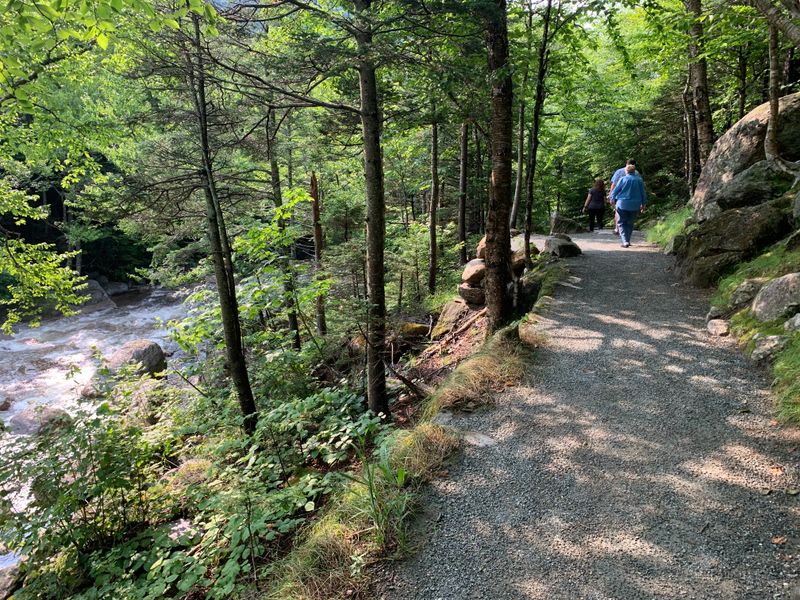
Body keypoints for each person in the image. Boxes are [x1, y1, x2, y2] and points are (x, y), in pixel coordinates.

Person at [610, 163, 647, 248]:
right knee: (630, 223)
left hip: (622, 204)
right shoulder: (639, 180)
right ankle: (628, 240)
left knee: (621, 222)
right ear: (634, 171)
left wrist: (612, 199)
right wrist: (643, 204)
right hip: (635, 205)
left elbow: (615, 190)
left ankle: (625, 241)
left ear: (626, 171)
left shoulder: (623, 179)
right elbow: (643, 193)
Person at [608, 159, 639, 234]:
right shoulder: (636, 173)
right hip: (632, 196)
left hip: (619, 196)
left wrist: (611, 194)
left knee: (618, 211)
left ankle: (617, 228)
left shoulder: (619, 171)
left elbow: (614, 184)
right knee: (630, 213)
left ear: (626, 164)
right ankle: (626, 229)